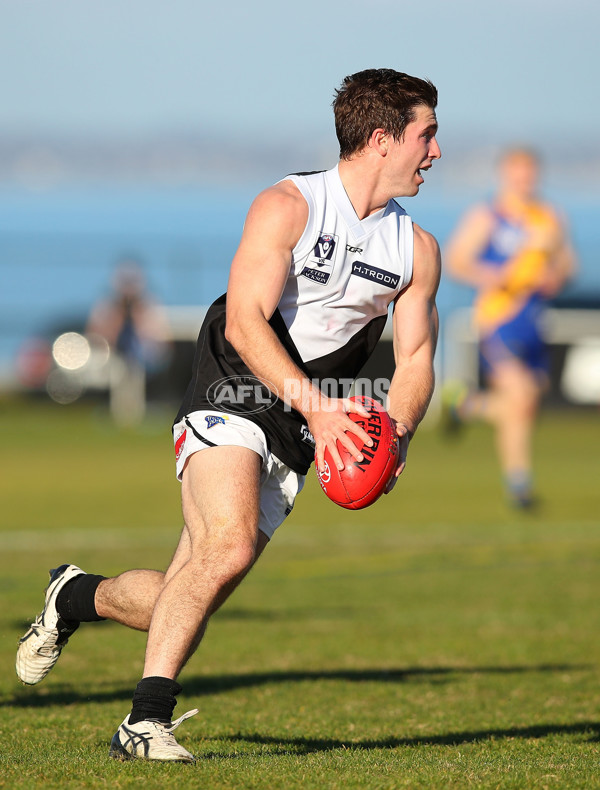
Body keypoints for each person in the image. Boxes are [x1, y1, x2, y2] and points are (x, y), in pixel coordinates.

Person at [16, 68, 442, 762]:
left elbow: (417, 358)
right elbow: (246, 323)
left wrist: (394, 437)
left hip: (303, 428)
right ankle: (142, 724)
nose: (435, 151)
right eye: (426, 134)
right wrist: (320, 409)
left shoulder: (416, 251)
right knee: (229, 545)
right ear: (380, 139)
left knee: (181, 602)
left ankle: (74, 596)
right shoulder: (288, 206)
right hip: (235, 386)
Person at [444, 147, 576, 507]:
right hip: (499, 320)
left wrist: (556, 276)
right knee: (518, 397)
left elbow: (568, 264)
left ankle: (465, 405)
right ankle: (520, 486)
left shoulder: (548, 218)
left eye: (529, 175)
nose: (524, 182)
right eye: (517, 174)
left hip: (534, 321)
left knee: (529, 401)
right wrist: (494, 275)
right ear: (504, 176)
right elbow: (456, 260)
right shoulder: (487, 217)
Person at [87, 258, 171, 425]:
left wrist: (138, 316)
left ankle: (136, 412)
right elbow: (94, 334)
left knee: (136, 367)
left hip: (143, 356)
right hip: (113, 354)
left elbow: (160, 336)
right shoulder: (106, 305)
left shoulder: (149, 304)